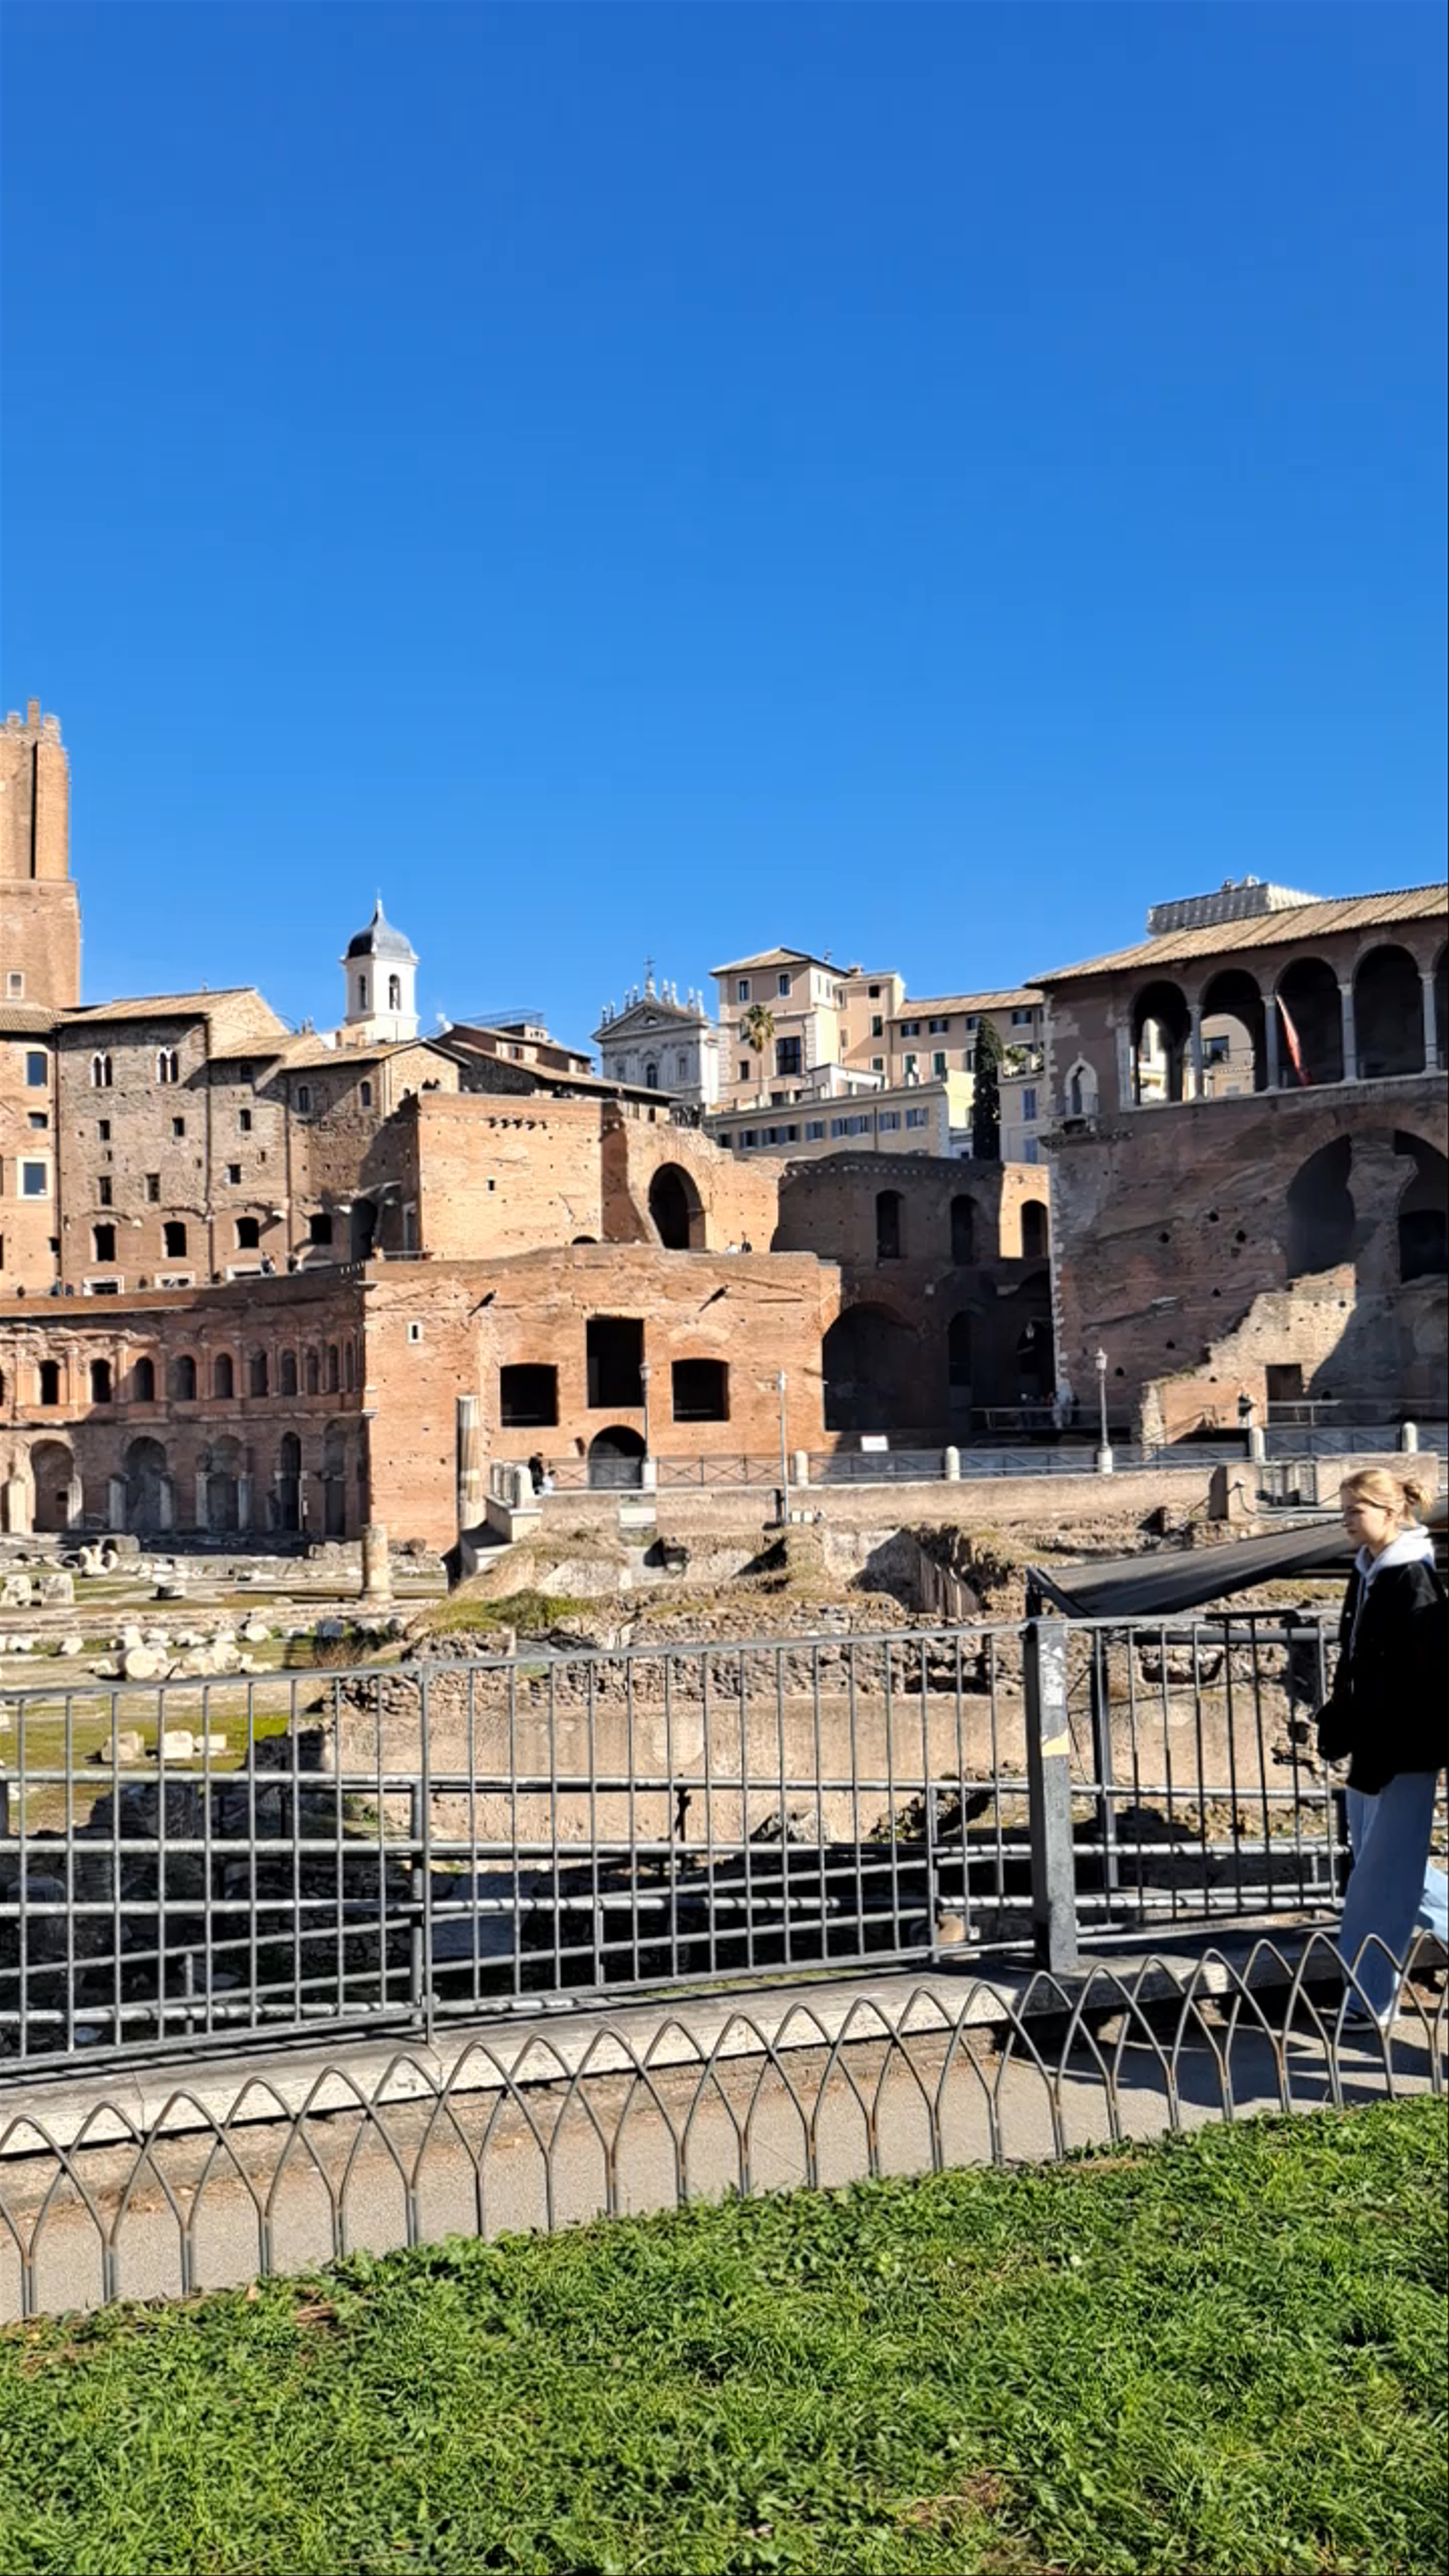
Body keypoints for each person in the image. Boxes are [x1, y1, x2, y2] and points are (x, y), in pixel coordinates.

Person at [1317, 1467, 1447, 2025]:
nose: (1346, 1520)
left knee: (1375, 1882)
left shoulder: (1410, 1579)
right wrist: (1339, 1717)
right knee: (1391, 1867)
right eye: (1344, 1511)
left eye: (1355, 1511)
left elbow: (1425, 1679)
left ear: (1390, 1512)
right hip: (1373, 1743)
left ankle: (1369, 2000)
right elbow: (1357, 1660)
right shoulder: (1368, 1571)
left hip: (1402, 1749)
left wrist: (1386, 1745)